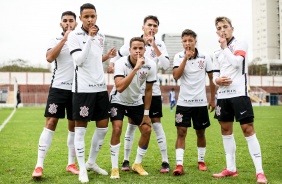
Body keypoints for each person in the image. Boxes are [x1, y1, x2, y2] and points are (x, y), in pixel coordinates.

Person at [108, 15, 171, 173]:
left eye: (155, 26)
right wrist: (111, 63)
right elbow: (118, 55)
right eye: (149, 25)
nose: (152, 28)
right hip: (132, 91)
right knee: (130, 126)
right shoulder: (135, 42)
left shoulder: (160, 44)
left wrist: (154, 45)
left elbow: (165, 65)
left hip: (152, 91)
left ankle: (165, 161)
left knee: (154, 125)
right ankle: (126, 161)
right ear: (143, 27)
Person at [211, 16, 267, 184]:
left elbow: (236, 63)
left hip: (239, 94)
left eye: (225, 27)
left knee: (248, 129)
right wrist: (216, 81)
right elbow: (214, 75)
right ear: (216, 31)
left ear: (232, 29)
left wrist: (224, 47)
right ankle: (231, 168)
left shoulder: (240, 43)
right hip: (223, 97)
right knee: (226, 131)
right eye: (219, 28)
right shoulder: (215, 53)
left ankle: (260, 172)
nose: (223, 30)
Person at [67, 3, 116, 183]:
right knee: (80, 131)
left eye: (92, 16)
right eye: (86, 16)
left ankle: (91, 162)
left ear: (96, 16)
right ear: (80, 18)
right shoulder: (74, 36)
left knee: (103, 128)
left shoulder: (101, 35)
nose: (89, 19)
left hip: (100, 88)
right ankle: (81, 169)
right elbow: (79, 61)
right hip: (83, 90)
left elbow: (93, 59)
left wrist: (108, 59)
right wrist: (89, 38)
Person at [32, 11, 79, 179]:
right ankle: (39, 166)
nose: (68, 23)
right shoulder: (55, 40)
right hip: (58, 88)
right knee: (51, 122)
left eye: (71, 21)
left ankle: (71, 163)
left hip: (77, 89)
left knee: (74, 126)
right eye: (65, 21)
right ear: (61, 24)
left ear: (76, 23)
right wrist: (65, 39)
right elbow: (49, 57)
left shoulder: (82, 39)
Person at [109, 37, 157, 179]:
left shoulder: (151, 65)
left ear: (145, 50)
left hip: (136, 101)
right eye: (134, 48)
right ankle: (114, 167)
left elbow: (148, 91)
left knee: (147, 129)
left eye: (140, 48)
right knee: (117, 128)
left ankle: (137, 164)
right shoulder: (120, 63)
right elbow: (120, 87)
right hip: (118, 99)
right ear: (129, 50)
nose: (137, 51)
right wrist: (136, 68)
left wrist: (146, 114)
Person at [172, 29, 216, 176]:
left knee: (200, 132)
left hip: (200, 103)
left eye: (190, 40)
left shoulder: (205, 57)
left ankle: (201, 161)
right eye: (184, 41)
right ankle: (179, 165)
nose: (187, 43)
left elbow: (211, 79)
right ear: (182, 43)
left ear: (195, 42)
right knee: (181, 132)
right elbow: (176, 76)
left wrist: (212, 99)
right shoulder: (178, 57)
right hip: (183, 103)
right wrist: (185, 58)